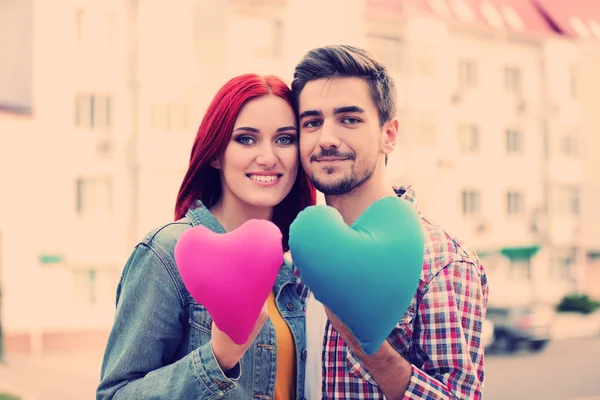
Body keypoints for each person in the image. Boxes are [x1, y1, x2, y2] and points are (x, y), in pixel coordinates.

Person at [97, 73, 316, 399]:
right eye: (246, 139)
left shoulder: (290, 269)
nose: (269, 157)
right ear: (215, 154)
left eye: (284, 139)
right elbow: (115, 394)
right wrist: (218, 358)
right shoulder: (166, 253)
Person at [291, 45, 489, 400]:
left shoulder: (443, 261)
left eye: (349, 119)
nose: (327, 139)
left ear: (389, 135)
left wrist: (366, 344)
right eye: (312, 123)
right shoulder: (295, 256)